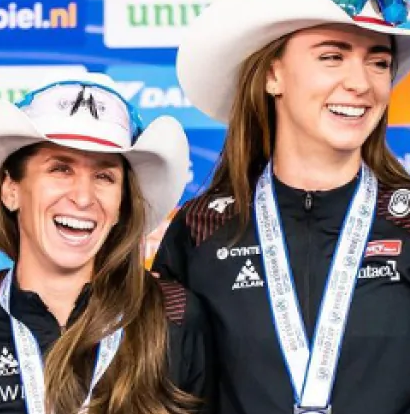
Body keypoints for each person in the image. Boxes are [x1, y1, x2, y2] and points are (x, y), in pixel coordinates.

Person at [151, 0, 410, 413]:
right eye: (332, 56)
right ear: (273, 74)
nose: (361, 83)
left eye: (379, 63)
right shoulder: (201, 227)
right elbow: (171, 391)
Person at [0, 73, 214, 414]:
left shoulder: (175, 316)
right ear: (10, 189)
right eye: (60, 169)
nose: (83, 198)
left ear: (122, 204)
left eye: (104, 176)